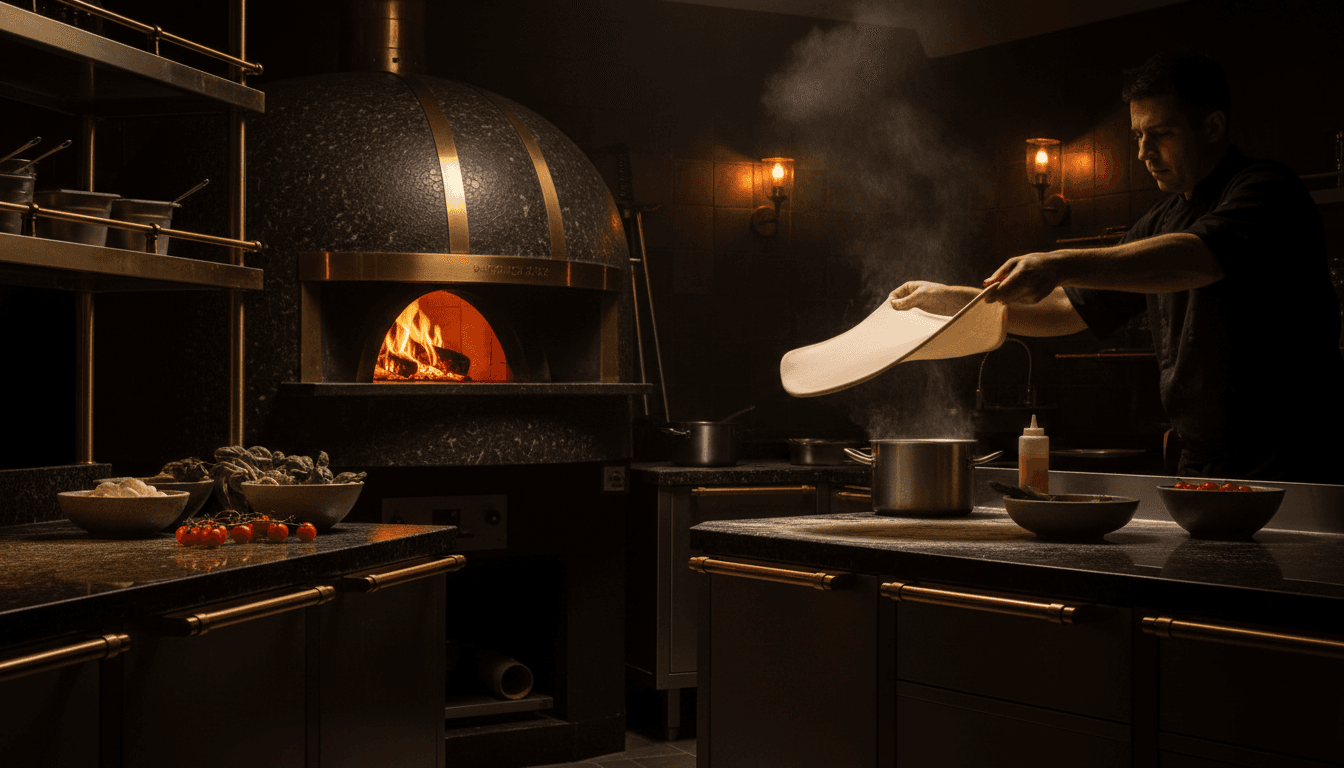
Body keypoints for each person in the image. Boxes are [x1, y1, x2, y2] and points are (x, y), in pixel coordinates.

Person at [889, 50, 1344, 484]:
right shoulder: (1163, 217)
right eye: (1138, 137)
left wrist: (1059, 262)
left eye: (1161, 134)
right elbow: (1067, 309)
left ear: (1212, 127)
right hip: (1200, 467)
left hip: (1289, 462)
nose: (1145, 151)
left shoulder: (1266, 191)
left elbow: (1196, 258)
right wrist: (955, 300)